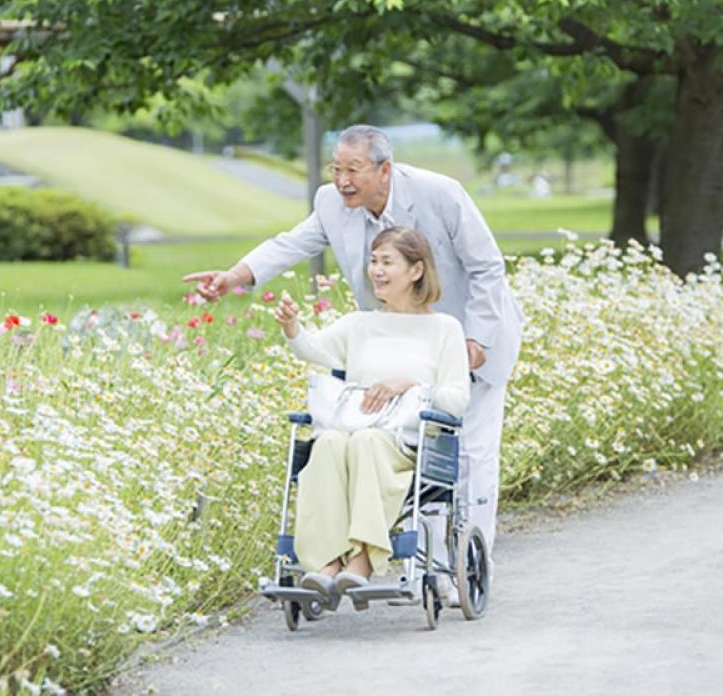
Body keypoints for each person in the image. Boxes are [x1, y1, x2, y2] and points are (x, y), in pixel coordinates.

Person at [183, 124, 523, 580]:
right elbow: (291, 244)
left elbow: (487, 267)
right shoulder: (331, 203)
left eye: (353, 170)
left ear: (385, 170)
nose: (342, 180)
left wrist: (475, 341)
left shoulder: (440, 193)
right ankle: (387, 559)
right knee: (384, 445)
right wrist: (235, 276)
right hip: (390, 346)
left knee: (468, 456)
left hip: (467, 337)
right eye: (336, 168)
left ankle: (462, 567)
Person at [273, 227, 469, 604]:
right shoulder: (359, 324)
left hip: (405, 442)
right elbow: (314, 349)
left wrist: (409, 384)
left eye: (386, 262)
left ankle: (362, 560)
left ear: (415, 271)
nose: (376, 270)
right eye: (373, 261)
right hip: (352, 433)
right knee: (327, 441)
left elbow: (457, 399)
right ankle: (328, 562)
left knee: (366, 441)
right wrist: (292, 327)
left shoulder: (444, 329)